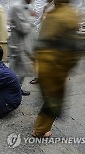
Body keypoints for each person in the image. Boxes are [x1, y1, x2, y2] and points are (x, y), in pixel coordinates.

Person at [32, 0, 80, 137]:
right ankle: (40, 130)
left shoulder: (50, 13)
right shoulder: (69, 15)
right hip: (55, 66)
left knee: (48, 98)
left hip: (42, 64)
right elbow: (71, 50)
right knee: (54, 100)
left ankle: (39, 125)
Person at [8, 0, 37, 96]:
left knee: (22, 71)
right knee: (16, 71)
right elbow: (23, 29)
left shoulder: (26, 7)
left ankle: (16, 90)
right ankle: (9, 93)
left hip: (24, 45)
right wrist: (32, 18)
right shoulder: (17, 7)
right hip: (18, 46)